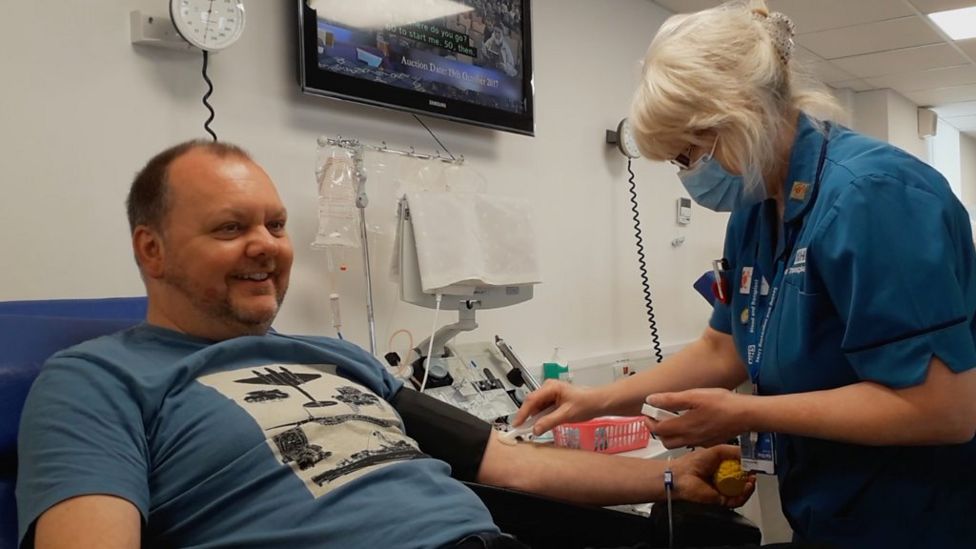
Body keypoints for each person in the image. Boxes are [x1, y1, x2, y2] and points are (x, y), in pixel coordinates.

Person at [16, 140, 752, 549]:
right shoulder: (96, 380)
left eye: (275, 224)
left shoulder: (337, 358)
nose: (266, 247)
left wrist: (666, 479)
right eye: (230, 228)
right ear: (152, 250)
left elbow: (512, 464)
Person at [514, 1, 976, 547]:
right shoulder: (758, 209)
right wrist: (598, 399)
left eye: (689, 154)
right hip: (829, 508)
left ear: (740, 116)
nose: (689, 174)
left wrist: (746, 411)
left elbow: (943, 409)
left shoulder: (874, 198)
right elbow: (724, 347)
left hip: (919, 519)